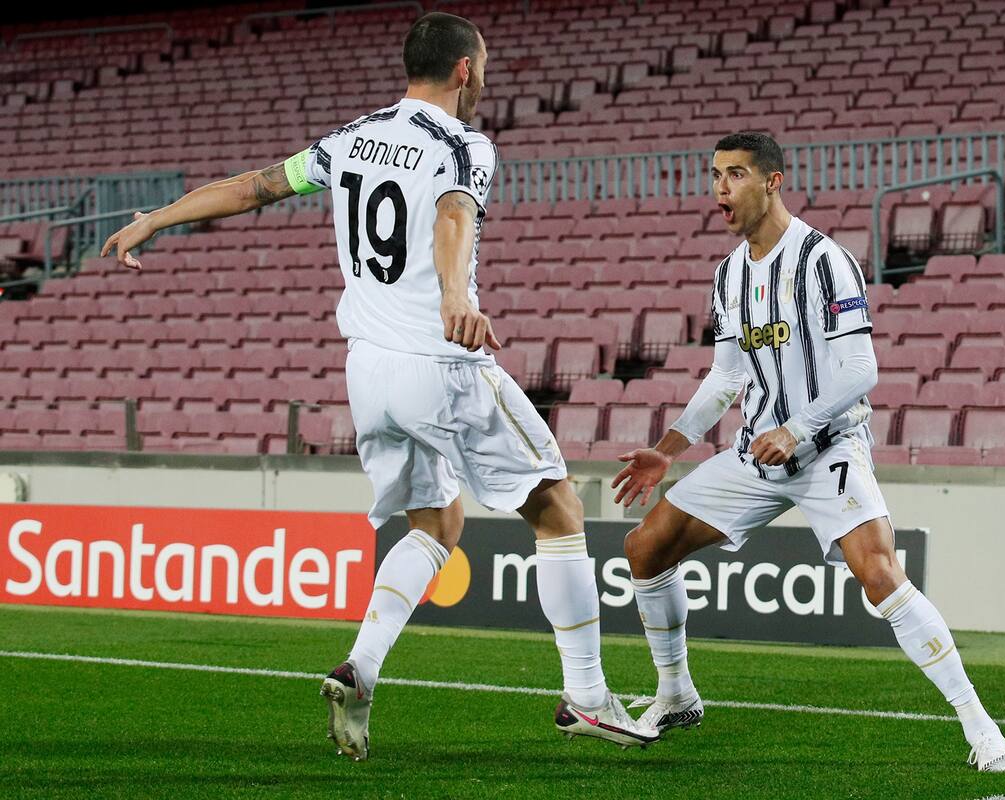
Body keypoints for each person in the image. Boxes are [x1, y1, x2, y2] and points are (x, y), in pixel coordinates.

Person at [101, 11, 657, 762]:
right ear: (464, 69)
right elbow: (454, 214)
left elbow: (257, 186)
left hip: (368, 372)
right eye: (483, 64)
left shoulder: (350, 138)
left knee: (435, 526)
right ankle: (588, 697)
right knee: (557, 508)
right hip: (441, 364)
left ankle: (359, 670)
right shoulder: (464, 145)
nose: (486, 76)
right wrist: (456, 294)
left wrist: (156, 221)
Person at [610, 131, 1005, 773]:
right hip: (756, 454)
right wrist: (668, 450)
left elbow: (860, 369)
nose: (720, 188)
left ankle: (980, 724)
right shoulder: (728, 274)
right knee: (644, 546)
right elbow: (725, 377)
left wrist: (797, 429)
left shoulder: (825, 260)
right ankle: (676, 693)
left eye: (735, 174)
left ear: (772, 181)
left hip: (826, 446)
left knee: (880, 574)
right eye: (715, 175)